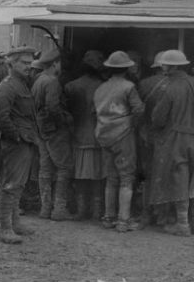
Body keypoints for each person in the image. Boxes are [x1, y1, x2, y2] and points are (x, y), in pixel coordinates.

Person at [151, 49, 194, 236]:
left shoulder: (169, 87)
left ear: (171, 66)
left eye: (164, 63)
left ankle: (183, 224)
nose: (162, 66)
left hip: (177, 139)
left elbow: (158, 119)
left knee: (180, 176)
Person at [93, 51, 145, 232]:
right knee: (126, 178)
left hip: (103, 135)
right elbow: (139, 110)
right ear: (126, 68)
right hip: (123, 135)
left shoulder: (100, 88)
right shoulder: (128, 87)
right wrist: (132, 124)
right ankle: (123, 220)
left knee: (111, 178)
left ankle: (108, 217)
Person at [0, 46, 41, 243]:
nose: (29, 67)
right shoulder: (7, 86)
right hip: (16, 143)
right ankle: (5, 229)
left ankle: (15, 223)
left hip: (26, 140)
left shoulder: (21, 84)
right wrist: (17, 137)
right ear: (12, 63)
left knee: (18, 184)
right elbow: (0, 118)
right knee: (11, 185)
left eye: (30, 63)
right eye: (24, 63)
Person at [31, 47, 76, 221]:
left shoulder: (38, 80)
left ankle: (45, 208)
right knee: (64, 167)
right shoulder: (52, 82)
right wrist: (65, 122)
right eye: (60, 63)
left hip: (41, 130)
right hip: (54, 131)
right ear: (55, 63)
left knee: (46, 169)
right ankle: (59, 209)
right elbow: (53, 107)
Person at [64, 50, 106, 221]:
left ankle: (82, 211)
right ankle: (97, 211)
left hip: (78, 136)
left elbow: (66, 113)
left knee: (80, 175)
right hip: (100, 137)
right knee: (98, 175)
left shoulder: (71, 86)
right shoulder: (105, 86)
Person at [136, 51, 169, 227]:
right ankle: (162, 216)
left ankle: (145, 213)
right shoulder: (174, 85)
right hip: (166, 137)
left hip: (146, 136)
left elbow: (138, 111)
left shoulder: (144, 84)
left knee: (147, 176)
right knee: (164, 175)